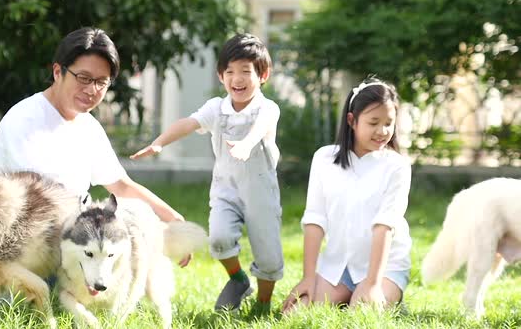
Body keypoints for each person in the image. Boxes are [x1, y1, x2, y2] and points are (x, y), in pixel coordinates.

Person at [0, 27, 190, 267]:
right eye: (83, 78)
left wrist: (172, 219)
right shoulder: (24, 119)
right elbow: (39, 197)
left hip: (67, 240)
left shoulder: (87, 126)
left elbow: (121, 185)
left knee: (136, 222)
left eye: (101, 82)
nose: (92, 90)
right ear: (57, 72)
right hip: (21, 249)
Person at [130, 33, 283, 315]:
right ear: (221, 75)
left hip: (261, 191)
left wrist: (246, 144)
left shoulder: (266, 108)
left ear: (263, 75)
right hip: (226, 190)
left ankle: (262, 305)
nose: (237, 79)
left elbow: (261, 127)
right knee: (219, 238)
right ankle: (238, 280)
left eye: (246, 72)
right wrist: (159, 142)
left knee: (269, 254)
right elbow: (188, 123)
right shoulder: (216, 108)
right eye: (230, 72)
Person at [282, 78, 412, 313]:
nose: (382, 131)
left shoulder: (397, 166)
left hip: (384, 268)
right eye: (374, 122)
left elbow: (384, 226)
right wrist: (308, 278)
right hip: (338, 267)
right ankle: (349, 297)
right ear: (352, 120)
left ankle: (385, 296)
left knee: (361, 316)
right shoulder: (324, 158)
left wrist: (372, 284)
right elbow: (314, 219)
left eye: (388, 123)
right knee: (293, 313)